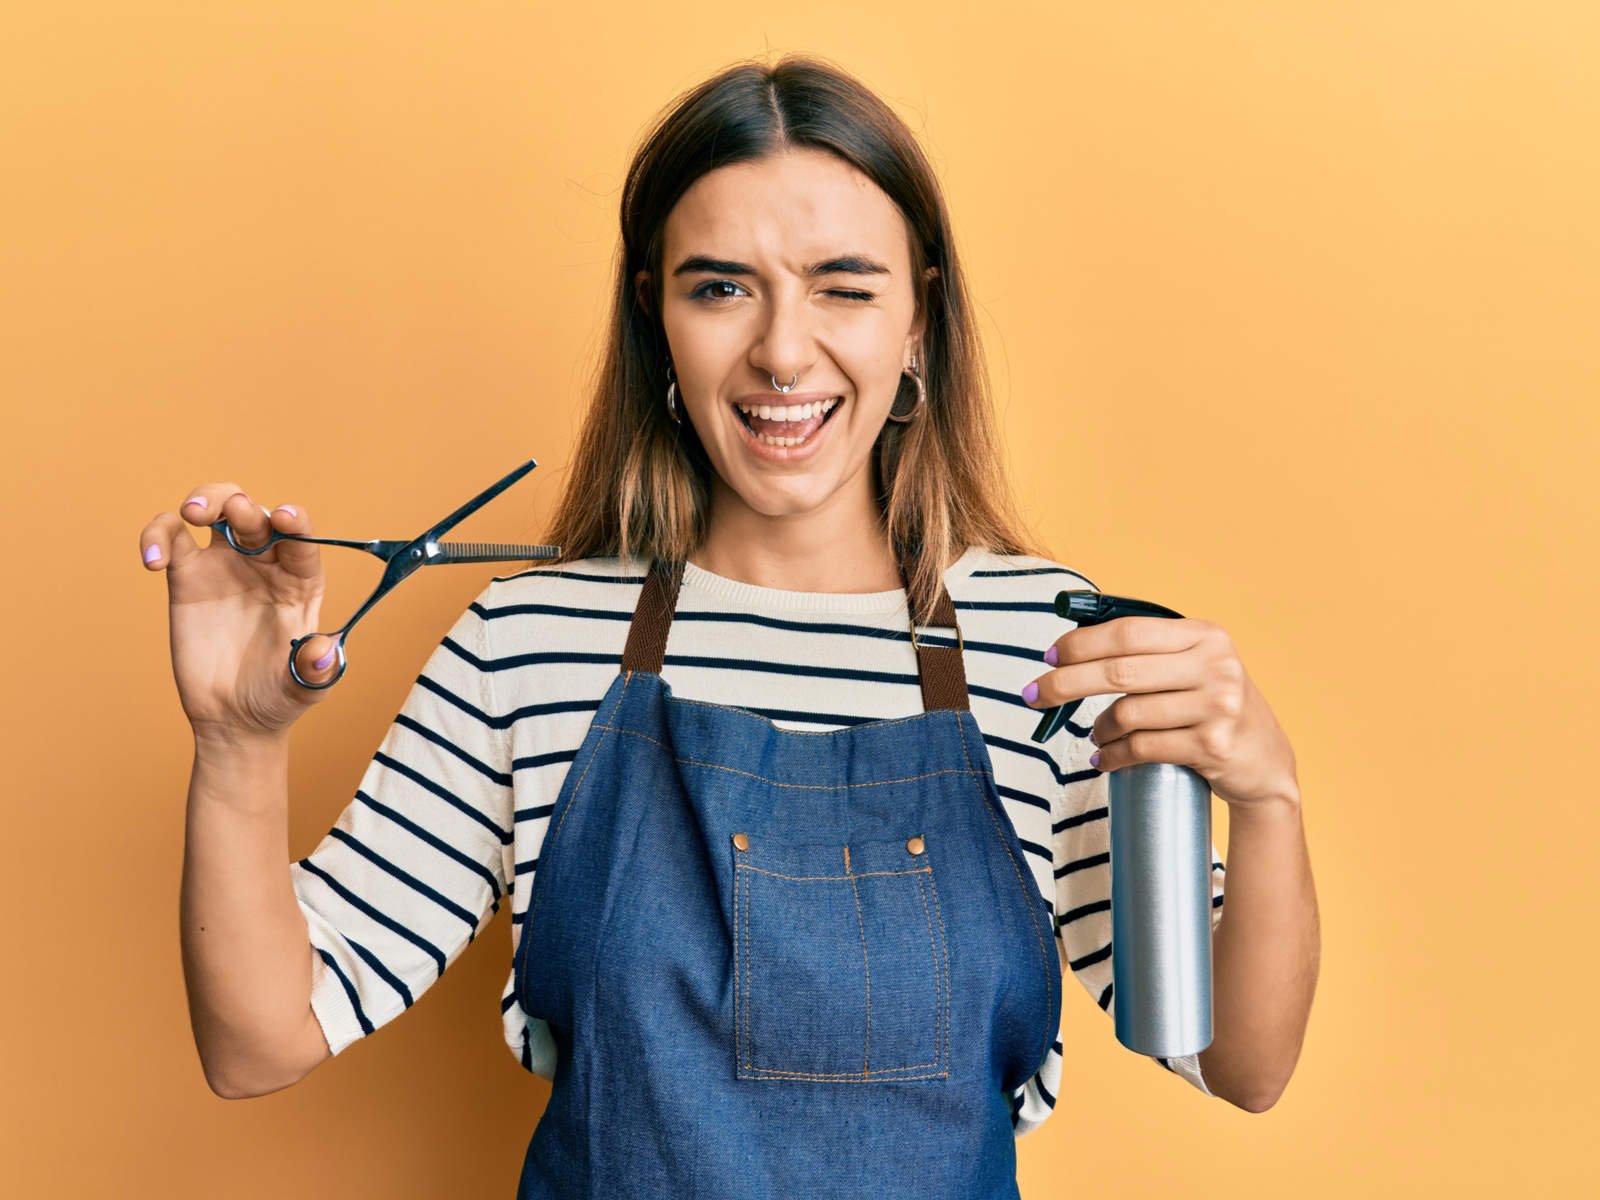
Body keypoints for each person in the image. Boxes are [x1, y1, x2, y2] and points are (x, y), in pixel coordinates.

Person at [140, 56, 1318, 1199]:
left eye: (844, 286)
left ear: (920, 319)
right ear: (655, 317)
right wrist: (239, 744)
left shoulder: (1047, 652)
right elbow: (260, 1042)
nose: (782, 351)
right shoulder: (527, 645)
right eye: (720, 287)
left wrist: (1267, 797)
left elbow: (1239, 1061)